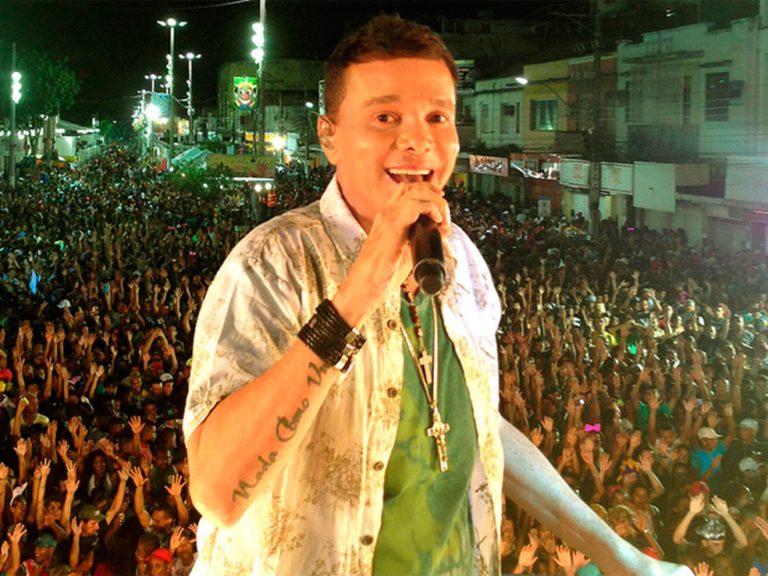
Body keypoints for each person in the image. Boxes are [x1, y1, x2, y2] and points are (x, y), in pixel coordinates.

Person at [183, 13, 693, 576]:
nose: (417, 140)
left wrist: (619, 555)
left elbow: (479, 426)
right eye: (385, 117)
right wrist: (356, 294)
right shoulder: (271, 264)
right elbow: (217, 493)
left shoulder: (463, 263)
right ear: (329, 136)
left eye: (437, 117)